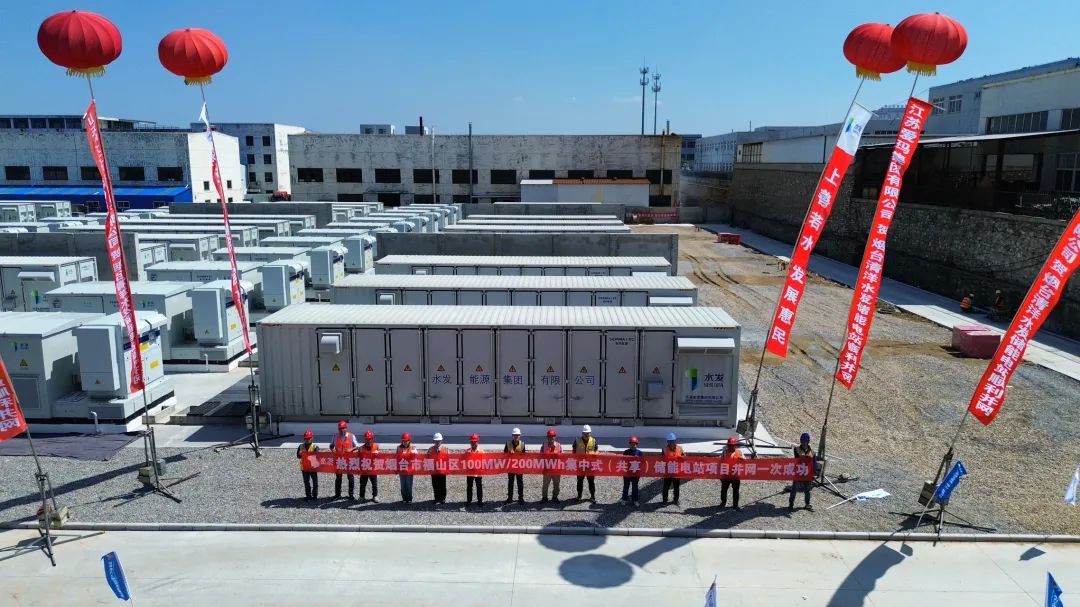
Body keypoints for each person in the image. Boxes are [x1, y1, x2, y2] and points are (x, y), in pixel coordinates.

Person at [331, 420, 357, 500]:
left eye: (343, 428)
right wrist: (332, 450)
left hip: (349, 460)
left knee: (350, 477)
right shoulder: (335, 436)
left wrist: (351, 449)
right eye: (340, 428)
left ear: (346, 428)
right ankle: (337, 494)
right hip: (339, 460)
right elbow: (331, 445)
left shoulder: (351, 436)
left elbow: (357, 446)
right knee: (338, 477)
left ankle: (351, 495)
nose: (342, 430)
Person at [789, 432, 815, 511]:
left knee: (807, 490)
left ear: (808, 441)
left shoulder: (812, 452)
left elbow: (813, 463)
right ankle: (791, 504)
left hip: (807, 474)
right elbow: (799, 457)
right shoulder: (797, 449)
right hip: (799, 472)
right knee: (794, 489)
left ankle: (807, 504)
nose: (804, 443)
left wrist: (813, 473)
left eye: (805, 441)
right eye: (803, 441)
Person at [573, 424, 598, 503]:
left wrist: (594, 454)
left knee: (591, 481)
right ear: (582, 433)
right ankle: (579, 496)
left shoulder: (593, 441)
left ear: (590, 433)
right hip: (580, 465)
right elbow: (573, 451)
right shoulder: (577, 440)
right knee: (579, 481)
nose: (586, 435)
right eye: (585, 433)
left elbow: (596, 450)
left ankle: (592, 496)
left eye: (588, 433)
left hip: (590, 466)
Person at [503, 428, 526, 505]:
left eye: (517, 435)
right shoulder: (508, 444)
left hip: (519, 467)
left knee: (520, 482)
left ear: (520, 436)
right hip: (511, 466)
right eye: (515, 435)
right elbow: (504, 455)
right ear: (512, 436)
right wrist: (509, 453)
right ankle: (510, 498)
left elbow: (524, 456)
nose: (516, 437)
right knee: (511, 482)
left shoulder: (522, 444)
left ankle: (521, 498)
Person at [720, 436, 743, 511]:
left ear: (735, 445)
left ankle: (735, 505)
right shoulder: (724, 452)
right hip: (726, 474)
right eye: (729, 445)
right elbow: (720, 462)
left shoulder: (739, 452)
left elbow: (745, 462)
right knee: (724, 489)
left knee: (736, 490)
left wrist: (742, 460)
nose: (731, 447)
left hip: (735, 475)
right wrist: (720, 475)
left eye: (732, 445)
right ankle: (723, 503)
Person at [540, 428, 562, 504]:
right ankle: (544, 497)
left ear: (555, 437)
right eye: (549, 436)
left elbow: (562, 457)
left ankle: (555, 497)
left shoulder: (559, 445)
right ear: (547, 437)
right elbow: (540, 455)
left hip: (556, 469)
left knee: (556, 484)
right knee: (545, 485)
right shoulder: (544, 445)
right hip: (547, 469)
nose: (551, 438)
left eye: (552, 436)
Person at [296, 430, 320, 500]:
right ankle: (308, 496)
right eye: (306, 438)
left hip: (313, 467)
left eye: (309, 438)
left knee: (315, 482)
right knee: (306, 482)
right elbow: (298, 456)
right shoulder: (300, 446)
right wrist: (300, 454)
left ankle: (315, 495)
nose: (307, 440)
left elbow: (318, 456)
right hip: (304, 467)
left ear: (312, 438)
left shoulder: (315, 447)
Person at [662, 432, 683, 505]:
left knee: (676, 487)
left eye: (673, 441)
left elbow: (684, 457)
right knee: (666, 487)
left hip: (677, 471)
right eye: (670, 441)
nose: (671, 443)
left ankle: (676, 500)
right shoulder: (664, 449)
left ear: (675, 441)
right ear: (667, 442)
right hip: (668, 471)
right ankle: (664, 500)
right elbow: (662, 460)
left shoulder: (680, 448)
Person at [621, 436, 643, 506]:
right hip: (627, 472)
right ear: (630, 444)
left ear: (637, 444)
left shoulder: (640, 453)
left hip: (636, 473)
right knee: (626, 486)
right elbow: (623, 461)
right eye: (632, 444)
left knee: (635, 487)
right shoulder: (626, 452)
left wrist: (638, 459)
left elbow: (642, 463)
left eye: (634, 444)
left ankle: (635, 500)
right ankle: (624, 499)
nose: (633, 445)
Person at [359, 430, 380, 503]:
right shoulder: (361, 448)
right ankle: (361, 496)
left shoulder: (376, 446)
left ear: (372, 439)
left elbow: (381, 458)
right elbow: (357, 458)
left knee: (374, 484)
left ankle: (375, 496)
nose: (368, 440)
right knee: (362, 484)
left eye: (370, 439)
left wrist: (378, 454)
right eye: (366, 439)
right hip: (364, 469)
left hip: (373, 469)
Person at [465, 433, 484, 508]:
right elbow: (463, 461)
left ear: (477, 442)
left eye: (474, 442)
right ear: (470, 442)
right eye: (472, 442)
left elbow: (485, 462)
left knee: (479, 486)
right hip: (470, 472)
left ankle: (480, 501)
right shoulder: (467, 451)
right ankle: (469, 501)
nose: (473, 443)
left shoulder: (481, 451)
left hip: (478, 473)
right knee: (469, 487)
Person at [429, 432, 448, 505]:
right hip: (434, 471)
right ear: (433, 441)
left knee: (442, 485)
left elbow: (449, 459)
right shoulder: (430, 449)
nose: (437, 442)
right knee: (435, 485)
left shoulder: (445, 449)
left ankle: (442, 498)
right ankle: (436, 498)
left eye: (438, 441)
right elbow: (427, 459)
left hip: (442, 471)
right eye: (436, 441)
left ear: (441, 441)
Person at [397, 432, 416, 503]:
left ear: (409, 441)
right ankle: (404, 498)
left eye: (406, 441)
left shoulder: (413, 448)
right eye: (403, 441)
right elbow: (396, 458)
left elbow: (416, 458)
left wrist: (414, 454)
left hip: (409, 470)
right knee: (403, 485)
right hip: (402, 470)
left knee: (409, 484)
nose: (405, 442)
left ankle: (409, 498)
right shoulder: (399, 448)